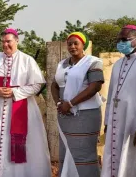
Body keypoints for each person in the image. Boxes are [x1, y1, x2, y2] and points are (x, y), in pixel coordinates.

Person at [0, 28, 52, 177]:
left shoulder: (27, 60)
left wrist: (15, 92)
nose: (5, 45)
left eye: (8, 41)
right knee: (1, 143)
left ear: (17, 41)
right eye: (3, 42)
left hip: (22, 109)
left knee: (26, 147)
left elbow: (37, 85)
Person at [51, 32, 104, 177]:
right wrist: (59, 103)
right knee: (66, 151)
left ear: (83, 45)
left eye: (76, 43)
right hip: (64, 115)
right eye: (69, 44)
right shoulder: (62, 64)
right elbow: (54, 85)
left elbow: (95, 87)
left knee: (84, 154)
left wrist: (71, 103)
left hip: (85, 115)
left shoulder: (93, 62)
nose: (72, 46)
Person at [101, 25, 136, 177]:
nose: (121, 43)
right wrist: (107, 122)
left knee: (134, 160)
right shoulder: (117, 64)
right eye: (119, 40)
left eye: (125, 40)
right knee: (114, 157)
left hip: (134, 121)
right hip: (116, 120)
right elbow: (111, 95)